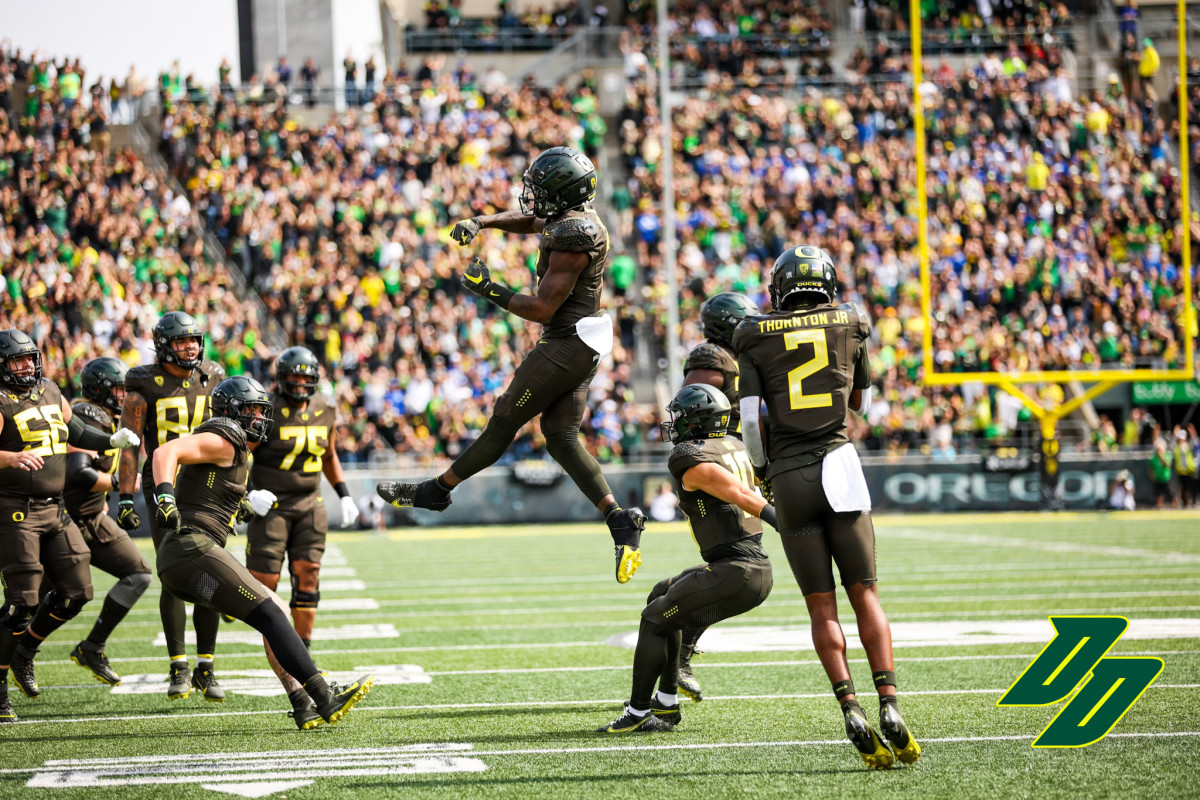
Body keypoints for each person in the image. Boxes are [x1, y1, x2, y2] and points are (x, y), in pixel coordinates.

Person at [377, 146, 646, 583]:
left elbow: (541, 308)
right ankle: (619, 519)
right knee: (560, 437)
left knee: (504, 420)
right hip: (582, 339)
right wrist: (481, 221)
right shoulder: (573, 218)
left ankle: (437, 490)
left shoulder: (575, 236)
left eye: (541, 189)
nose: (533, 197)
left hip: (567, 342)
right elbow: (533, 221)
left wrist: (489, 289)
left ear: (563, 193)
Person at [734, 245, 920, 769]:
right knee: (866, 595)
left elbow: (750, 421)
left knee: (822, 606)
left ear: (780, 288)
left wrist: (764, 472)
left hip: (790, 474)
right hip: (840, 464)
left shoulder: (752, 332)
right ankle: (889, 703)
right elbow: (861, 402)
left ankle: (851, 708)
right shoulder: (851, 322)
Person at [151, 376, 372, 730]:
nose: (259, 417)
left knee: (276, 610)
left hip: (185, 561)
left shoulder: (237, 449)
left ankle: (301, 702)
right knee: (270, 611)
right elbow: (165, 452)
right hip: (191, 548)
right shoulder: (225, 438)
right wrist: (164, 495)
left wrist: (240, 503)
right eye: (252, 410)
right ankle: (324, 695)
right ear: (231, 411)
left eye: (260, 410)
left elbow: (209, 488)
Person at [597, 384, 773, 733]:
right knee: (661, 593)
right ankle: (666, 705)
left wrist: (789, 525)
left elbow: (741, 494)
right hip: (744, 566)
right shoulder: (734, 444)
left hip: (737, 569)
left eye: (679, 417)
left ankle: (636, 712)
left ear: (696, 420)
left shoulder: (688, 456)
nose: (674, 424)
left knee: (653, 618)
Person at [0, 330, 140, 722]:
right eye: (17, 361)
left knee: (77, 592)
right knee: (21, 603)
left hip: (55, 508)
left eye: (30, 358)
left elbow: (74, 431)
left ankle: (24, 652)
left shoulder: (48, 389)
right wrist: (9, 459)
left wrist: (110, 440)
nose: (26, 366)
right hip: (15, 510)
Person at [118, 311, 226, 701]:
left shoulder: (213, 374)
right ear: (164, 345)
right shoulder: (143, 382)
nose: (190, 348)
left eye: (194, 340)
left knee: (213, 571)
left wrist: (240, 491)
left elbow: (231, 435)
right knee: (175, 574)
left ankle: (207, 666)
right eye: (181, 342)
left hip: (208, 483)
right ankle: (178, 665)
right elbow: (131, 443)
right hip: (164, 484)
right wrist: (125, 495)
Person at [244, 347, 359, 651]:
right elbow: (239, 455)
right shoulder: (265, 408)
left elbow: (329, 454)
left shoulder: (326, 407)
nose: (298, 383)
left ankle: (302, 651)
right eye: (292, 377)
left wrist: (344, 494)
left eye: (304, 377)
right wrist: (249, 492)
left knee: (308, 576)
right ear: (281, 378)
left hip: (310, 503)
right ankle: (243, 608)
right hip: (273, 506)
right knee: (263, 580)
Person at [674, 291, 759, 700]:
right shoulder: (713, 357)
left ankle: (677, 658)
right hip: (719, 464)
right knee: (735, 559)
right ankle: (678, 656)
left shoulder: (739, 357)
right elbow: (694, 407)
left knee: (742, 556)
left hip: (740, 459)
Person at [64, 357, 153, 685]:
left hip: (92, 516)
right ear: (99, 388)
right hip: (63, 521)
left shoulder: (110, 416)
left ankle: (93, 646)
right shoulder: (88, 414)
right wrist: (118, 485)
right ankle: (21, 655)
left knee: (139, 574)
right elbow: (79, 473)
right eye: (117, 389)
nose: (122, 396)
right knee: (43, 600)